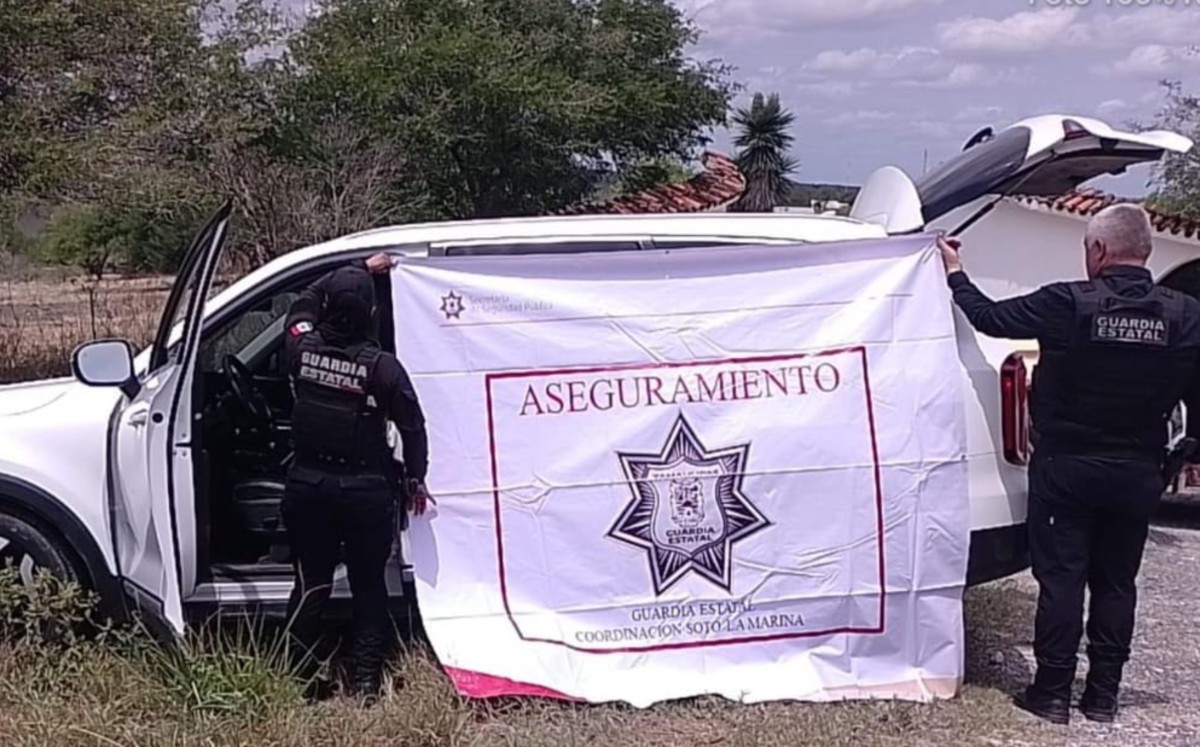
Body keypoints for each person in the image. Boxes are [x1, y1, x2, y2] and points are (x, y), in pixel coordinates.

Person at [938, 204, 1200, 725]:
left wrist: (954, 273)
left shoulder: (1068, 303)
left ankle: (1052, 693)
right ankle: (1104, 695)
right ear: (1144, 252)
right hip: (1137, 471)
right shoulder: (1185, 313)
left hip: (1067, 467)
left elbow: (989, 318)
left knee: (1062, 579)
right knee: (1116, 582)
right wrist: (1182, 453)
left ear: (1098, 251)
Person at [281, 252, 433, 704]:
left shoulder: (302, 350)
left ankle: (302, 681)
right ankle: (367, 682)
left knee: (311, 584)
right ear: (371, 313)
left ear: (329, 309)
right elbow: (413, 428)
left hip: (308, 489)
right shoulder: (383, 367)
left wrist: (355, 270)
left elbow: (300, 307)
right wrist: (415, 479)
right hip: (366, 493)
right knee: (369, 586)